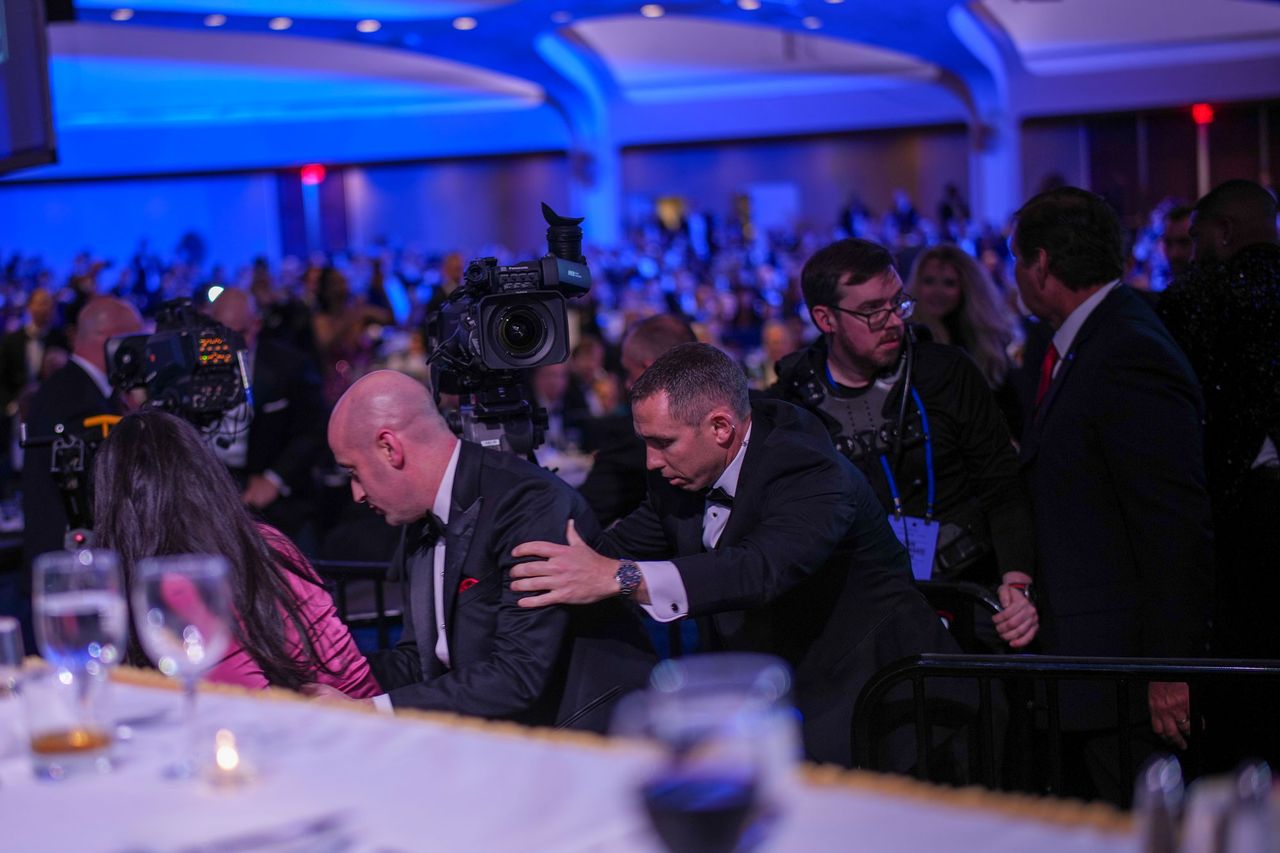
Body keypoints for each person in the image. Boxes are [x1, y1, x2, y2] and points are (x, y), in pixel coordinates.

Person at [510, 342, 961, 768]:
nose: (650, 461)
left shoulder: (807, 469)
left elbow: (758, 570)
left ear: (721, 427)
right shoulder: (680, 469)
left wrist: (623, 578)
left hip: (882, 700)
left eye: (662, 443)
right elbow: (613, 549)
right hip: (773, 692)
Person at [1012, 187, 1213, 805]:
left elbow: (1173, 525)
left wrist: (1168, 669)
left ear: (1041, 265)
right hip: (1096, 670)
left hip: (1127, 678)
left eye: (1018, 262)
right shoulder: (1092, 339)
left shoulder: (1125, 349)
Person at [320, 370, 654, 731]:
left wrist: (372, 709)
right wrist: (326, 673)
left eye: (354, 472)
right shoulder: (420, 516)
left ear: (390, 448)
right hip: (506, 737)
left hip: (589, 741)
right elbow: (420, 662)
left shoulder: (528, 504)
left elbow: (517, 676)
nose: (356, 493)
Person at [772, 239, 1037, 649]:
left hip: (964, 593)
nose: (893, 320)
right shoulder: (793, 400)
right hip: (857, 614)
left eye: (898, 303)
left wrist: (1017, 583)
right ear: (825, 318)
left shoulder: (947, 373)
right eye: (872, 311)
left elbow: (1001, 485)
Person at [92, 409, 379, 696]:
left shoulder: (181, 585)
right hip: (371, 720)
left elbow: (246, 712)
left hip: (331, 726)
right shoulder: (265, 541)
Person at [1159, 179, 1280, 768]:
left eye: (1196, 235)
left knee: (1240, 680)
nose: (1188, 249)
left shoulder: (1193, 298)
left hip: (1226, 520)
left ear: (1225, 232)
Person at [23, 298, 142, 569]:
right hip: (71, 568)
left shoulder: (76, 388)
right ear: (111, 340)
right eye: (135, 341)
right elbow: (98, 487)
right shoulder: (75, 398)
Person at [210, 288, 327, 542]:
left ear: (256, 325)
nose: (229, 346)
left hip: (281, 496)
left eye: (239, 333)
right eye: (221, 334)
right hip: (216, 493)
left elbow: (314, 429)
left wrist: (274, 479)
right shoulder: (196, 368)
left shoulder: (290, 365)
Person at [578, 315, 697, 527]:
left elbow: (584, 513)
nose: (626, 385)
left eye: (628, 372)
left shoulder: (632, 439)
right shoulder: (754, 410)